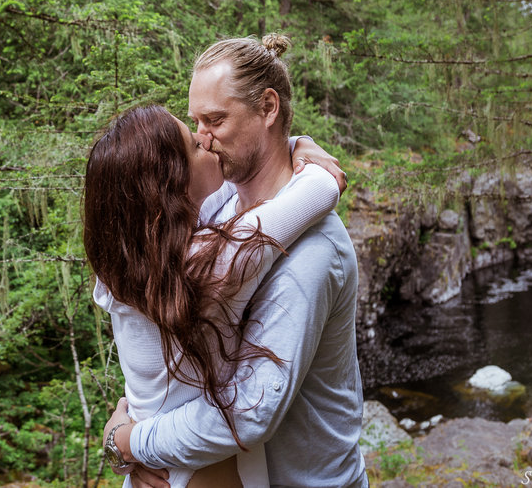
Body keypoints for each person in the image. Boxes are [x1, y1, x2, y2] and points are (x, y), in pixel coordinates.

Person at [101, 34, 367, 488]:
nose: (203, 139)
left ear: (268, 108)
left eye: (216, 120)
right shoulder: (218, 203)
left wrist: (132, 443)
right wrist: (124, 437)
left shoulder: (311, 253)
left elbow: (247, 413)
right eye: (196, 123)